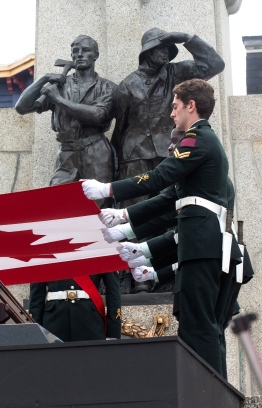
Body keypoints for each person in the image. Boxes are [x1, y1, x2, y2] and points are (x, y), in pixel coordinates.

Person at [82, 78, 233, 375]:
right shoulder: (201, 140)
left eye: (175, 107)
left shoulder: (197, 138)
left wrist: (108, 190)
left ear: (192, 106)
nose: (171, 114)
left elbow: (159, 179)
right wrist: (128, 225)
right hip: (198, 241)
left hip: (201, 242)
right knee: (195, 323)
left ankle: (209, 395)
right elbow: (170, 201)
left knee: (198, 326)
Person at [15, 35, 121, 339]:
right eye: (75, 50)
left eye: (85, 50)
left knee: (98, 218)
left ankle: (101, 275)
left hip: (95, 152)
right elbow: (22, 107)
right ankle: (62, 274)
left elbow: (99, 115)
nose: (79, 54)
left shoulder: (106, 87)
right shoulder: (58, 83)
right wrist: (43, 81)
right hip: (66, 155)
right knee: (56, 219)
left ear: (96, 55)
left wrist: (59, 100)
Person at [111, 28, 225, 208]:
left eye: (168, 47)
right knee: (132, 209)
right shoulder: (127, 85)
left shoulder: (177, 72)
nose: (166, 51)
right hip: (135, 156)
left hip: (168, 152)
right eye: (160, 47)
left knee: (168, 208)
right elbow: (120, 128)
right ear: (148, 51)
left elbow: (215, 65)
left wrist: (187, 38)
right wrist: (116, 166)